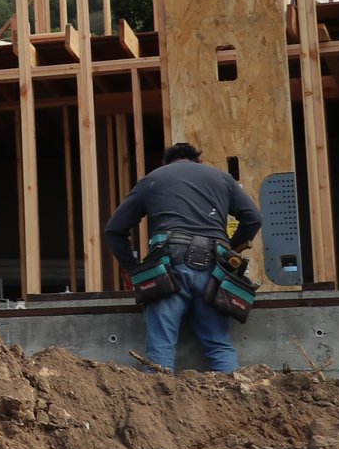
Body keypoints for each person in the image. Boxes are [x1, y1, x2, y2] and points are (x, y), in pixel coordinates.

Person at [102, 142, 262, 373]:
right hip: (214, 270)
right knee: (219, 346)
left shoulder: (154, 179)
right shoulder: (222, 179)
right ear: (197, 161)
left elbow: (114, 230)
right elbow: (253, 219)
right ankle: (238, 405)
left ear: (166, 162)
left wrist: (132, 268)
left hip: (169, 266)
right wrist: (231, 250)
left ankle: (157, 408)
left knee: (160, 348)